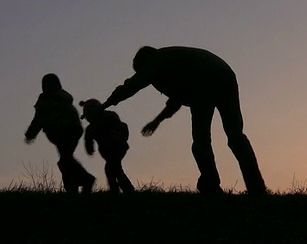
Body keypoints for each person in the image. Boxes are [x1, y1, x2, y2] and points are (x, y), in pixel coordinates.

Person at [101, 46, 267, 195]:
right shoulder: (174, 61)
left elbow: (133, 85)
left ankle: (211, 185)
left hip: (203, 81)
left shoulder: (155, 60)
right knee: (236, 136)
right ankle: (256, 188)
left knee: (201, 140)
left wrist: (106, 103)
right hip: (225, 74)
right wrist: (157, 121)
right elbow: (176, 100)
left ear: (144, 63)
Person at [25, 73, 96, 193]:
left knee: (66, 160)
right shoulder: (63, 97)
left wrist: (30, 134)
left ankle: (86, 179)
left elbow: (38, 119)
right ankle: (72, 189)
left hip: (62, 131)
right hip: (73, 129)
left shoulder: (45, 100)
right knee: (65, 160)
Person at [80, 98, 135, 193]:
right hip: (112, 150)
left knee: (112, 169)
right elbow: (88, 140)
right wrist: (90, 148)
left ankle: (124, 189)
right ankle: (120, 189)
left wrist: (122, 138)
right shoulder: (93, 127)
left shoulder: (108, 118)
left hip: (117, 147)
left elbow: (123, 127)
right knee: (114, 169)